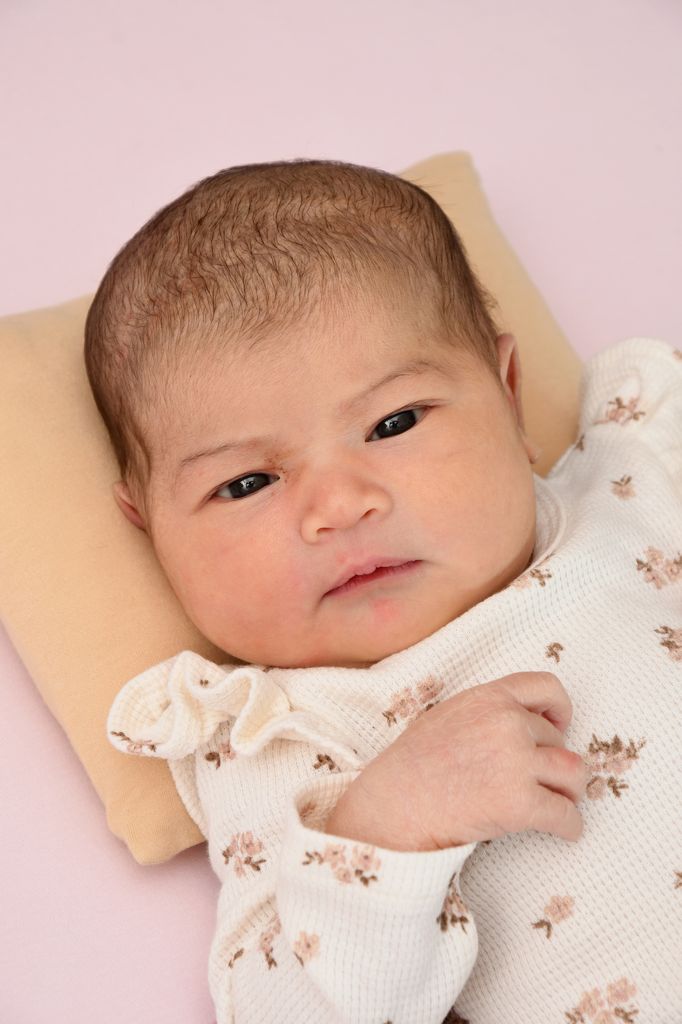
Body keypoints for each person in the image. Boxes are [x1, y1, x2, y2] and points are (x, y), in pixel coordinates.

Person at [86, 159, 681, 1023]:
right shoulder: (284, 737)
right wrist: (389, 827)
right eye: (247, 483)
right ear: (148, 529)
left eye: (393, 423)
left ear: (509, 396)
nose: (339, 506)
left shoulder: (629, 483)